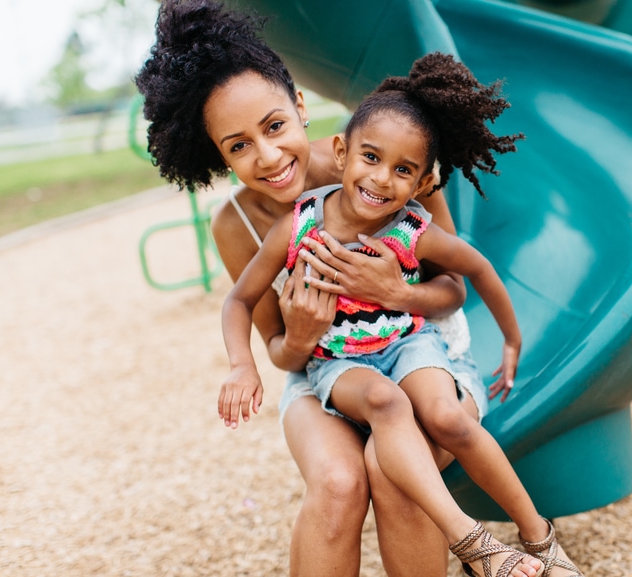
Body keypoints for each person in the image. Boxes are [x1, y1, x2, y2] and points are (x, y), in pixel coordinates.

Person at [135, 1, 497, 575]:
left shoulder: (384, 155)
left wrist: (399, 294)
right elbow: (281, 352)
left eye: (275, 126)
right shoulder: (239, 227)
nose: (269, 156)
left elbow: (456, 288)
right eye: (238, 145)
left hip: (424, 353)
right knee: (337, 481)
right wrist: (299, 336)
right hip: (325, 372)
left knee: (392, 468)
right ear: (218, 153)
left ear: (300, 107)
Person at [219, 52, 584, 577]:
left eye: (403, 171)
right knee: (382, 410)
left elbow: (473, 271)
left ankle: (537, 535)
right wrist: (244, 362)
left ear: (421, 183)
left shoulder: (408, 224)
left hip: (412, 341)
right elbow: (242, 304)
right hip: (338, 362)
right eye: (239, 145)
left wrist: (508, 337)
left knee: (443, 419)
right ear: (344, 152)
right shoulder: (297, 226)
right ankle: (475, 544)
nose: (383, 178)